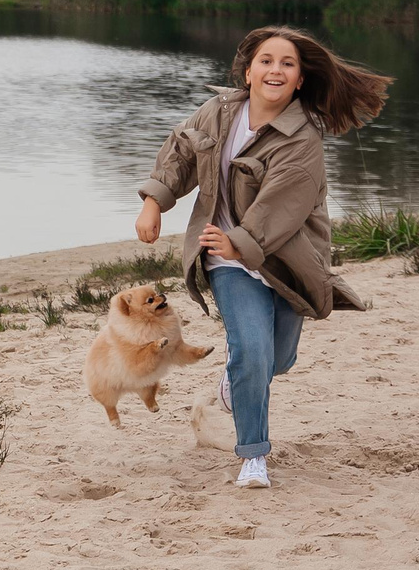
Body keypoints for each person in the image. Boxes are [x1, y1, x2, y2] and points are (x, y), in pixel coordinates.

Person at [133, 26, 391, 488]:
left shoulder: (302, 138)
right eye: (267, 61)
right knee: (252, 351)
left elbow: (283, 205)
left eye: (287, 64)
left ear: (299, 81)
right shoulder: (218, 111)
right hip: (227, 259)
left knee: (278, 359)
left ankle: (236, 380)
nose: (276, 69)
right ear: (248, 71)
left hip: (286, 262)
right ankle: (254, 455)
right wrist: (154, 201)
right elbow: (181, 153)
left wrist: (244, 240)